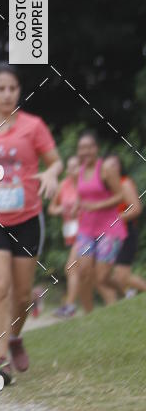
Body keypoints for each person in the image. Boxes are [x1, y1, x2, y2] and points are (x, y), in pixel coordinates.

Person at [0, 63, 62, 385]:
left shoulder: (33, 126)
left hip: (27, 217)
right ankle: (1, 360)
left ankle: (15, 337)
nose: (7, 94)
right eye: (0, 88)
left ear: (19, 91)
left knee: (20, 296)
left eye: (13, 88)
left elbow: (55, 161)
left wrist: (50, 173)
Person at [73, 132, 127, 313]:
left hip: (109, 229)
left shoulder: (105, 169)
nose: (85, 151)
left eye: (89, 147)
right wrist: (76, 206)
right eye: (81, 148)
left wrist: (98, 205)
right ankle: (88, 315)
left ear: (96, 149)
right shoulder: (78, 172)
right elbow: (82, 197)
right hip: (86, 230)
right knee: (83, 272)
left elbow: (121, 195)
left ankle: (125, 292)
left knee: (102, 277)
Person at [103, 154, 146, 299]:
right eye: (108, 166)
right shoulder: (105, 189)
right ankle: (128, 296)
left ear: (120, 167)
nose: (111, 169)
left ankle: (130, 294)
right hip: (110, 235)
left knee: (122, 277)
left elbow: (136, 209)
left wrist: (116, 219)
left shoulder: (124, 183)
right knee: (103, 275)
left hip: (126, 232)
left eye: (114, 165)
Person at [49, 154, 81, 318]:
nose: (72, 170)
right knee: (91, 272)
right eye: (69, 167)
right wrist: (62, 209)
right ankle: (127, 289)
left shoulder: (87, 185)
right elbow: (51, 209)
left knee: (71, 267)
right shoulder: (63, 185)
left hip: (88, 231)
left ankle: (69, 306)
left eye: (76, 166)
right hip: (71, 233)